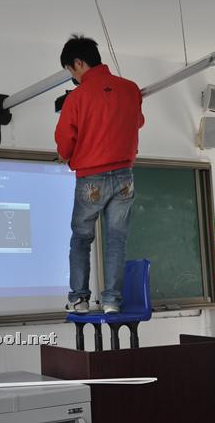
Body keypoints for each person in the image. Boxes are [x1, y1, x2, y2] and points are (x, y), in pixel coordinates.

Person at [55, 36, 144, 314]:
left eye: (71, 70)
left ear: (78, 63)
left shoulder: (77, 97)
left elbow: (65, 140)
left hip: (92, 178)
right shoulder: (130, 89)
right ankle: (111, 302)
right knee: (116, 240)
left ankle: (79, 299)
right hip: (125, 177)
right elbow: (138, 121)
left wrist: (66, 154)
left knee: (82, 238)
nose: (73, 77)